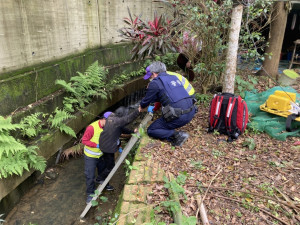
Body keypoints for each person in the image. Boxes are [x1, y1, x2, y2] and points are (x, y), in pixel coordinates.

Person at [82, 107, 139, 204]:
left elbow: (121, 130)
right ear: (103, 119)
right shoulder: (92, 128)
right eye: (109, 121)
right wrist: (97, 145)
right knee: (90, 176)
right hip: (90, 156)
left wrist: (132, 131)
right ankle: (90, 194)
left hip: (102, 154)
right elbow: (84, 140)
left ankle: (105, 184)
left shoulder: (111, 125)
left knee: (104, 170)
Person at [139, 61, 197, 147]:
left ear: (154, 73)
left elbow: (145, 102)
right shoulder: (174, 77)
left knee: (151, 130)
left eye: (150, 76)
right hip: (191, 112)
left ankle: (177, 135)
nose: (150, 78)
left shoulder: (155, 83)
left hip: (180, 117)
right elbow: (165, 95)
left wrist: (142, 106)